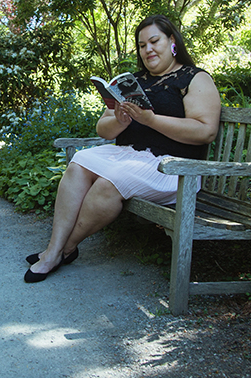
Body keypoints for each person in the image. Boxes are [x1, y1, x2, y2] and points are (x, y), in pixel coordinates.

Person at [24, 15, 222, 283]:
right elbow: (102, 129)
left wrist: (150, 119)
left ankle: (60, 250)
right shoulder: (133, 82)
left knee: (109, 183)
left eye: (154, 41)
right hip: (131, 156)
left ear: (172, 41)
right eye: (142, 45)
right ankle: (56, 249)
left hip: (175, 167)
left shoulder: (193, 78)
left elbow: (205, 131)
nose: (148, 49)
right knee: (79, 162)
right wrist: (119, 120)